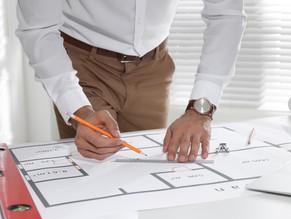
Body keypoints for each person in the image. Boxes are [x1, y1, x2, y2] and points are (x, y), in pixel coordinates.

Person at [15, 0, 246, 162]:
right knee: (93, 173)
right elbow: (38, 28)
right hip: (83, 65)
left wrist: (200, 110)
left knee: (146, 176)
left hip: (153, 68)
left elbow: (226, 14)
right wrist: (79, 111)